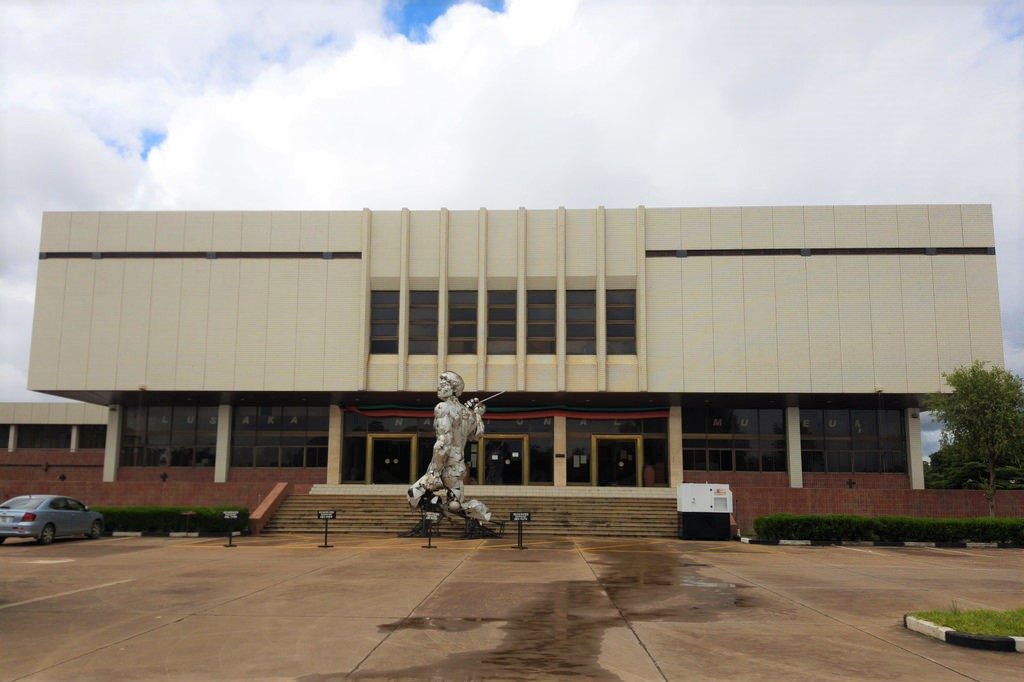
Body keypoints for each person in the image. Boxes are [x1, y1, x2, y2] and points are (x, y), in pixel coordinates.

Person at [407, 371, 492, 521]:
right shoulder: (468, 412)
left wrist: (434, 471)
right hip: (457, 466)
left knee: (413, 495)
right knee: (455, 504)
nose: (439, 387)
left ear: (454, 389)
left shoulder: (442, 407)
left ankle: (437, 510)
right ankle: (481, 512)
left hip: (444, 463)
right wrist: (478, 414)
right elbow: (477, 435)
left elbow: (443, 442)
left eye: (444, 384)